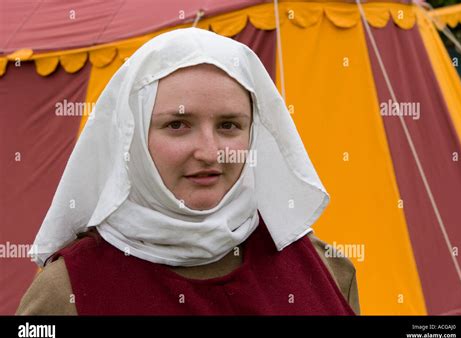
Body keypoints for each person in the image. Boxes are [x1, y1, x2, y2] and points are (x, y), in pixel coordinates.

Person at [16, 28, 359, 315]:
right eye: (177, 124)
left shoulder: (325, 269)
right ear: (132, 139)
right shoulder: (68, 291)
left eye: (229, 125)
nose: (210, 152)